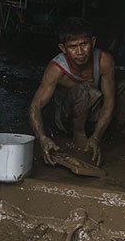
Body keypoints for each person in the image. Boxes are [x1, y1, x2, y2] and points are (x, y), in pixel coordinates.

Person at [28, 17, 120, 166]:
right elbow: (35, 106)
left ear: (93, 42)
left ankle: (113, 131)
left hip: (95, 113)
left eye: (84, 44)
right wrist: (42, 138)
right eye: (72, 46)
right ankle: (79, 137)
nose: (80, 52)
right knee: (84, 89)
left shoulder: (104, 60)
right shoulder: (56, 69)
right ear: (63, 49)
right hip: (67, 119)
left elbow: (109, 100)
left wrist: (97, 136)